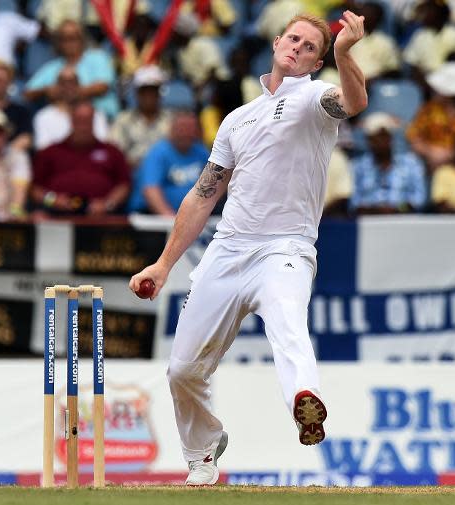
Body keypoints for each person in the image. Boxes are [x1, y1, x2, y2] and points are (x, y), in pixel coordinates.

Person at [128, 11, 368, 486]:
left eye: (309, 48)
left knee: (287, 319)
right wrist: (163, 263)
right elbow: (202, 195)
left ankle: (305, 401)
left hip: (286, 247)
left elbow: (353, 101)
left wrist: (344, 53)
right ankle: (203, 448)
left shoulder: (314, 99)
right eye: (293, 39)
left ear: (317, 62)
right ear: (277, 41)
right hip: (228, 249)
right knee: (181, 370)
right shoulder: (237, 118)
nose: (297, 48)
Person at [31, 101, 129, 216]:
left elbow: (123, 185)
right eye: (79, 121)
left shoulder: (112, 152)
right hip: (57, 215)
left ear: (94, 122)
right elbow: (35, 189)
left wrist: (108, 204)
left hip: (101, 218)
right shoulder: (50, 152)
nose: (83, 126)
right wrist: (53, 200)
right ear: (71, 121)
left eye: (87, 121)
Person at [24, 20, 119, 120]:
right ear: (58, 43)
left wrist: (70, 94)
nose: (70, 43)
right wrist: (45, 91)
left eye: (73, 38)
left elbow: (103, 87)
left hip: (102, 118)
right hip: (64, 123)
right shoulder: (52, 67)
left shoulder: (97, 57)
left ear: (82, 40)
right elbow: (28, 93)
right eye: (65, 39)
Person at [128, 111, 209, 216]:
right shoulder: (158, 152)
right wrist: (170, 218)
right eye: (181, 128)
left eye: (190, 128)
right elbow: (150, 190)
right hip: (154, 216)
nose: (185, 133)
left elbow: (217, 184)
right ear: (171, 129)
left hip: (195, 216)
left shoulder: (201, 152)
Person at [351, 112, 427, 213]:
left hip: (404, 221)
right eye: (376, 137)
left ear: (391, 138)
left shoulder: (411, 163)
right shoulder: (357, 166)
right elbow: (353, 203)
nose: (381, 141)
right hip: (368, 223)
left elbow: (419, 199)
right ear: (368, 140)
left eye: (385, 136)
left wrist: (397, 208)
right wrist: (377, 210)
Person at [32, 65, 109, 150]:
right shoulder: (43, 117)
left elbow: (102, 146)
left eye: (72, 82)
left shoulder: (96, 115)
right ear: (56, 87)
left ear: (79, 86)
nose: (68, 87)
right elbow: (44, 151)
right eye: (63, 82)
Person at [401, 0, 455, 85]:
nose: (425, 14)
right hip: (428, 82)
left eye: (430, 10)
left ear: (442, 13)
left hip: (454, 82)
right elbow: (413, 66)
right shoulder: (419, 36)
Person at [109, 65, 171, 168]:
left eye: (153, 90)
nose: (149, 95)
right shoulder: (123, 120)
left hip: (166, 174)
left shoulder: (171, 120)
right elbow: (114, 153)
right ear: (137, 93)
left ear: (159, 94)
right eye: (144, 91)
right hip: (132, 173)